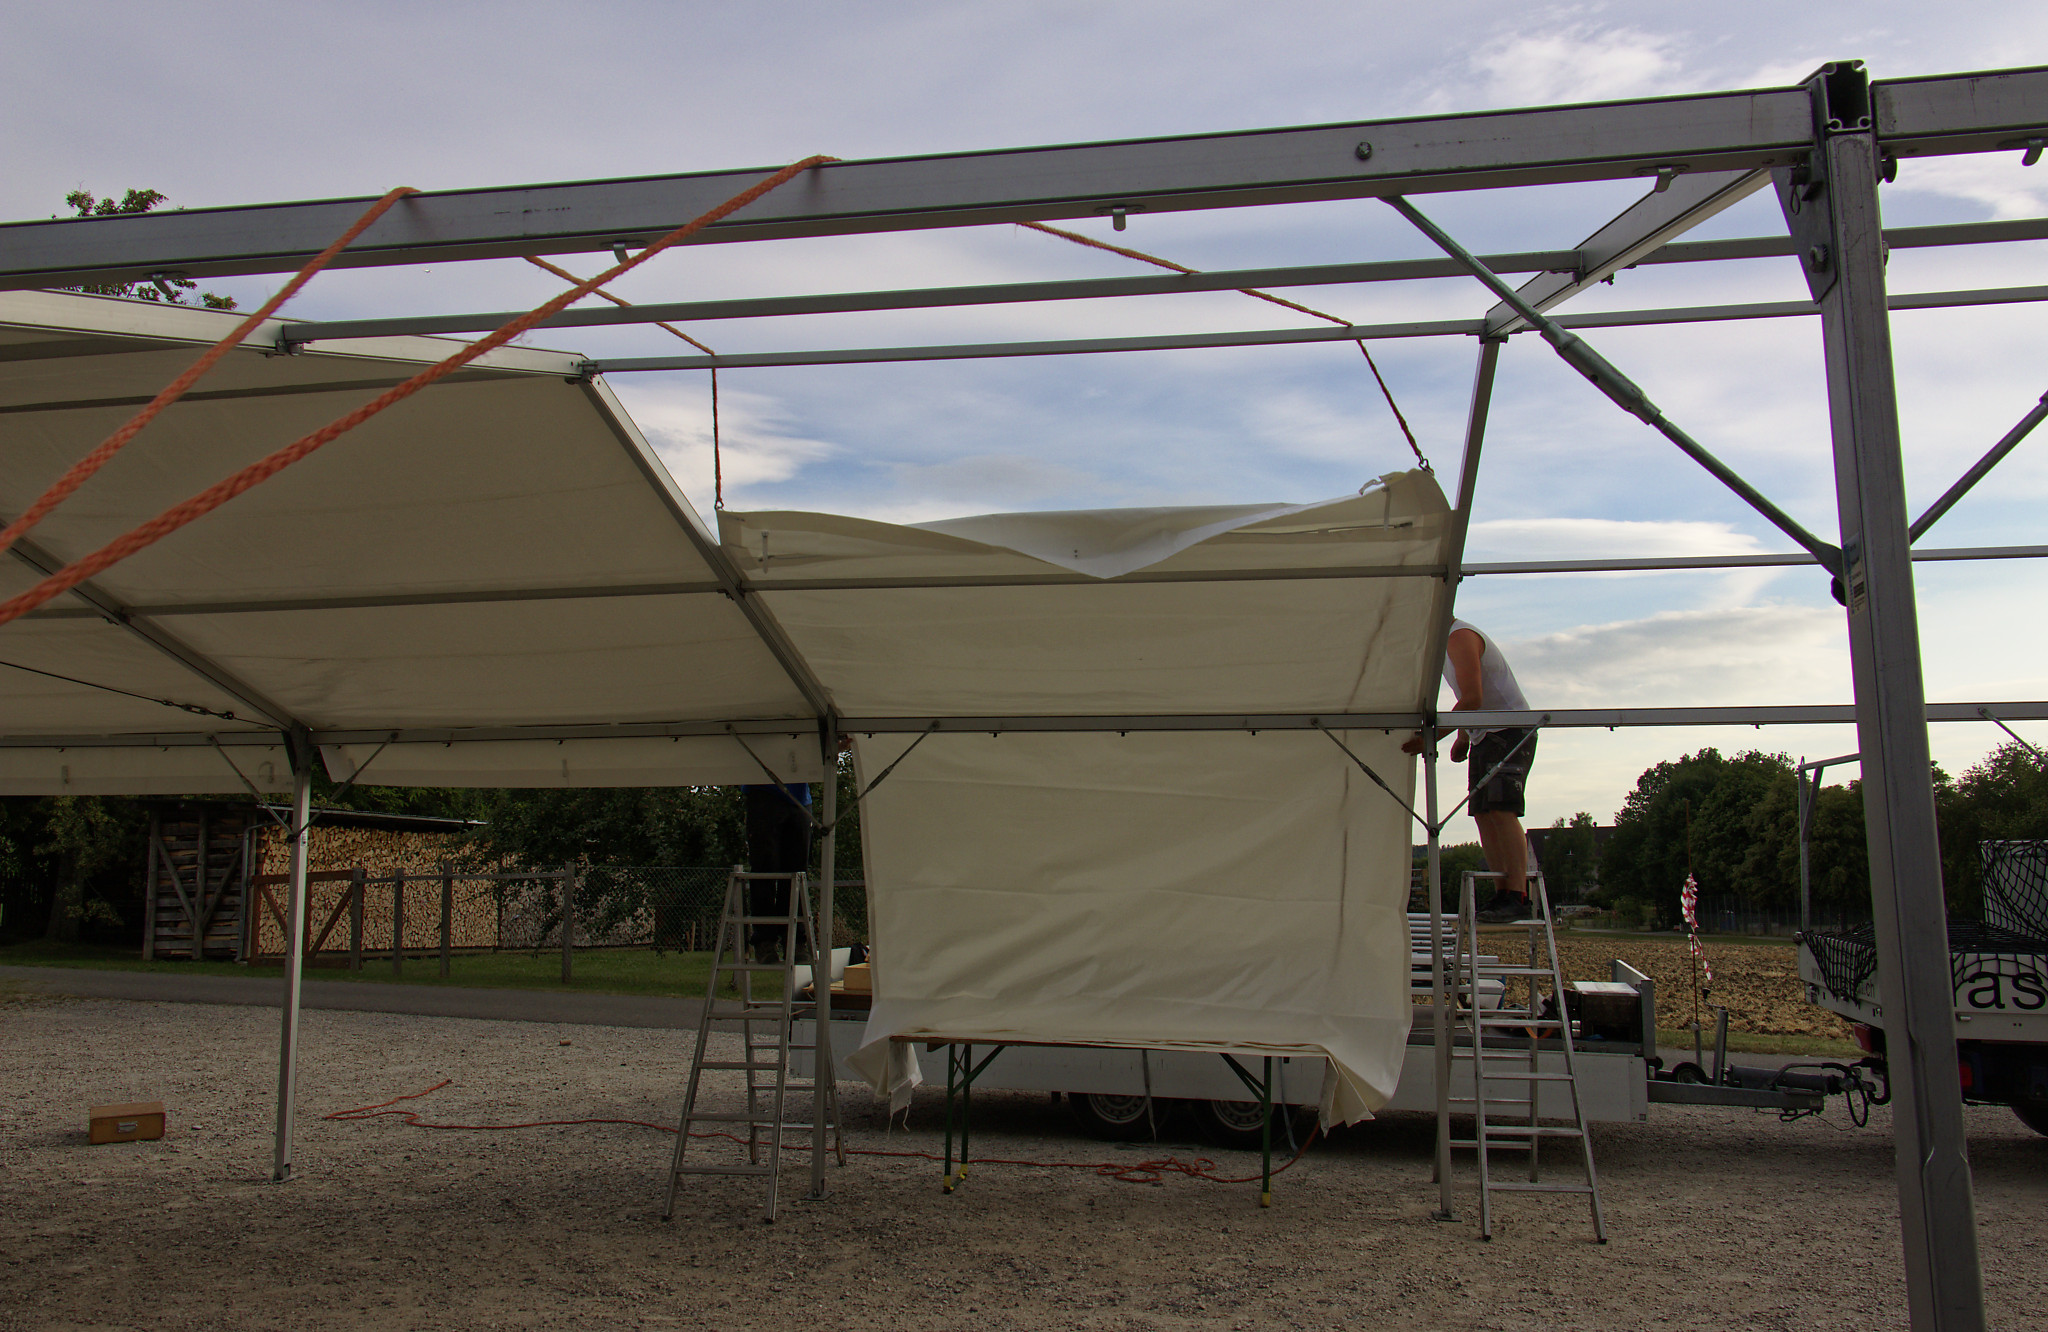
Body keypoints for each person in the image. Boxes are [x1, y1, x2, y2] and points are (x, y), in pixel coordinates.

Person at [1402, 619, 1540, 922]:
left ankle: (1517, 895)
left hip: (1509, 729)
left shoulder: (1459, 637)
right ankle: (1502, 892)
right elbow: (1469, 699)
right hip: (1486, 733)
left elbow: (1473, 698)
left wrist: (1434, 737)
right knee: (1483, 812)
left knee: (1502, 809)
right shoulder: (1445, 645)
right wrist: (1465, 736)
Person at [742, 781, 813, 962]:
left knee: (797, 874)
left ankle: (795, 941)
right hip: (763, 790)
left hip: (799, 798)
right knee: (764, 870)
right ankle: (765, 941)